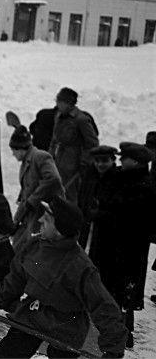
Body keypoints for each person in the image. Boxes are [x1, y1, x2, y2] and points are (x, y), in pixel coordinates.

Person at [0, 197, 128, 359]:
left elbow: (102, 305)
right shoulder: (35, 245)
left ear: (60, 229)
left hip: (66, 327)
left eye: (47, 219)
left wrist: (113, 348)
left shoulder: (80, 267)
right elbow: (17, 277)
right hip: (32, 315)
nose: (40, 220)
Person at [90, 143, 156, 346]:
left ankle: (121, 335)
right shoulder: (126, 178)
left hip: (128, 252)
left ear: (135, 162)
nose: (120, 160)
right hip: (117, 249)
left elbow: (123, 215)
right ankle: (120, 333)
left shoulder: (142, 186)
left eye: (124, 157)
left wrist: (99, 214)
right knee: (115, 291)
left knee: (121, 293)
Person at [8, 126, 64, 254]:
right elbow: (24, 196)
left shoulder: (40, 156)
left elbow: (53, 179)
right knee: (20, 247)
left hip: (46, 213)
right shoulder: (26, 163)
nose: (13, 154)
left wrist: (33, 199)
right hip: (33, 213)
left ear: (20, 149)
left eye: (13, 150)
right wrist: (16, 220)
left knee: (36, 249)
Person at [49, 87, 99, 202]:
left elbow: (92, 143)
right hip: (59, 159)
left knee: (71, 194)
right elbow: (54, 138)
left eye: (60, 102)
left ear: (69, 104)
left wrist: (84, 162)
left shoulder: (81, 119)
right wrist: (49, 155)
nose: (57, 104)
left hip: (74, 163)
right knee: (58, 191)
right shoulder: (58, 115)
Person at [77, 145, 117, 248]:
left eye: (104, 161)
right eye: (97, 161)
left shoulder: (117, 180)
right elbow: (81, 200)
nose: (100, 164)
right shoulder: (89, 177)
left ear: (113, 160)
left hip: (104, 230)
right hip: (86, 226)